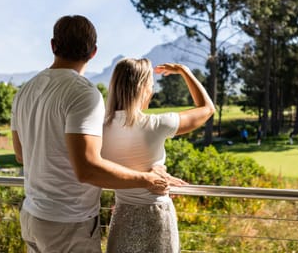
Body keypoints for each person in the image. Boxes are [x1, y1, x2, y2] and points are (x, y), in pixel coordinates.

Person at [11, 15, 179, 253]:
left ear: (52, 45)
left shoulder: (25, 91)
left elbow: (21, 154)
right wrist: (147, 179)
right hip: (68, 222)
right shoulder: (83, 93)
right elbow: (87, 168)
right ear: (93, 52)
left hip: (32, 216)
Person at [101, 59, 215, 253]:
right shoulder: (156, 124)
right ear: (143, 88)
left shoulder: (100, 129)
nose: (152, 92)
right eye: (151, 85)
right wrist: (184, 71)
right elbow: (207, 108)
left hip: (123, 215)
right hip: (157, 215)